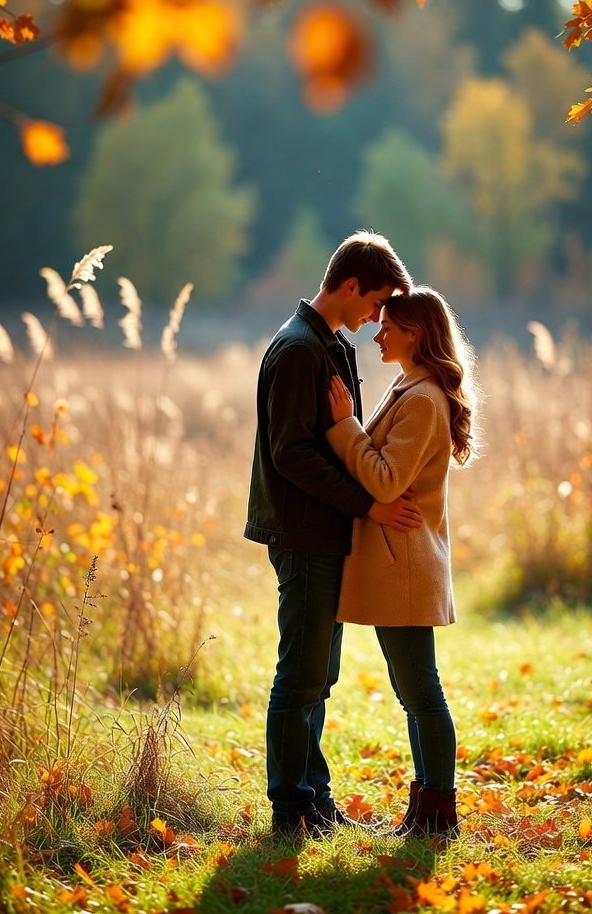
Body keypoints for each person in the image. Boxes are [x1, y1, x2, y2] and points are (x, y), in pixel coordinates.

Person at [244, 231, 421, 838]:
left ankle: (314, 801)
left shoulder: (331, 347)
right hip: (304, 532)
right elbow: (290, 452)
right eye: (375, 303)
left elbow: (338, 439)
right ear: (350, 286)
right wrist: (368, 505)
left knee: (320, 674)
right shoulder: (297, 350)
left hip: (329, 531)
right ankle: (291, 809)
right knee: (300, 675)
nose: (377, 317)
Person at [326, 285, 479, 836]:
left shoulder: (421, 399)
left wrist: (345, 428)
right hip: (401, 560)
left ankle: (438, 816)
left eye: (388, 325)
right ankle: (426, 809)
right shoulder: (410, 387)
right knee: (414, 691)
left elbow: (387, 480)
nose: (377, 332)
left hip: (406, 564)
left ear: (415, 334)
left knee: (421, 691)